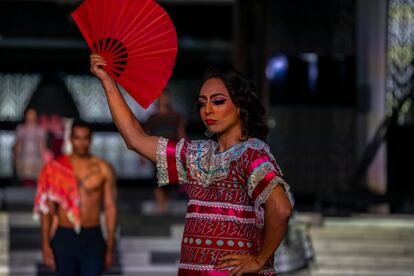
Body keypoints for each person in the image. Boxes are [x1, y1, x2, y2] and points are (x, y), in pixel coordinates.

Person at [90, 54, 293, 275]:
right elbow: (135, 139)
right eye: (202, 103)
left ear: (239, 106)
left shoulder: (251, 154)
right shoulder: (196, 154)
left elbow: (281, 209)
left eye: (218, 101)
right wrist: (108, 81)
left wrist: (260, 259)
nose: (208, 110)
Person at [33, 119, 117, 276]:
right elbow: (48, 209)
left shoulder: (103, 168)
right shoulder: (56, 168)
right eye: (77, 137)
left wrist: (110, 245)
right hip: (64, 235)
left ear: (90, 140)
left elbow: (110, 207)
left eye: (85, 138)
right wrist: (45, 244)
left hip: (93, 235)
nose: (81, 142)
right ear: (70, 138)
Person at [145, 91, 187, 213]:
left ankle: (165, 206)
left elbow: (181, 134)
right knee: (157, 179)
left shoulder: (176, 116)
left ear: (168, 98)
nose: (162, 99)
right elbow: (146, 136)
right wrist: (143, 156)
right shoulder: (152, 118)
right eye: (160, 97)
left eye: (164, 97)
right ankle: (161, 208)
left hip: (172, 151)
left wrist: (183, 151)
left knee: (169, 179)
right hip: (156, 152)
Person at [14, 108, 47, 187]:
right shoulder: (21, 129)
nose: (30, 118)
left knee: (36, 180)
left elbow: (42, 145)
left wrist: (44, 159)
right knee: (26, 180)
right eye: (29, 115)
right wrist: (16, 158)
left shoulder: (40, 129)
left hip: (36, 159)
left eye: (32, 115)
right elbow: (18, 145)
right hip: (24, 158)